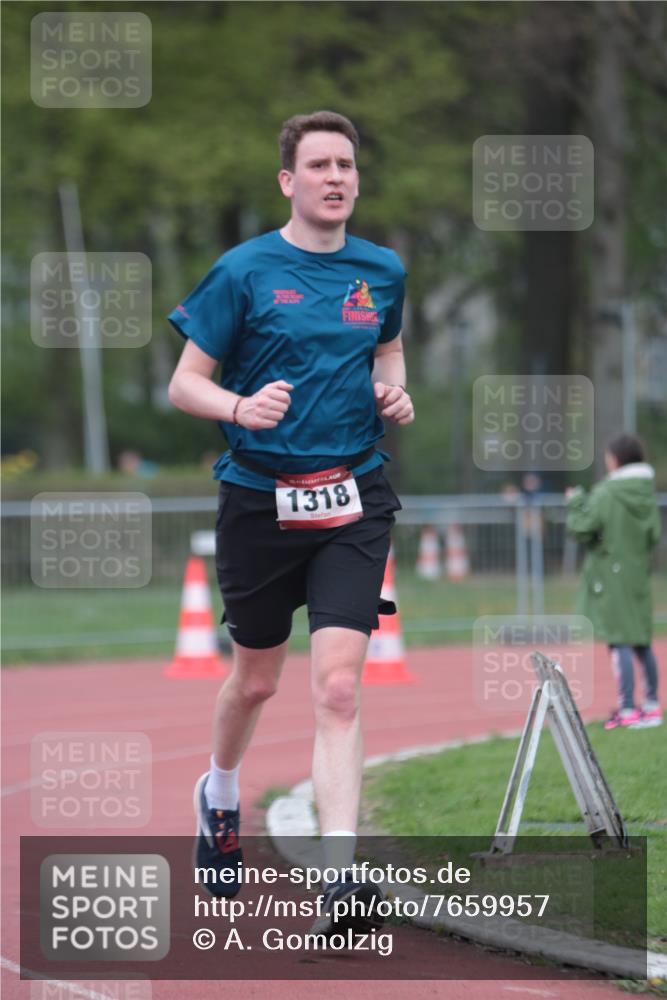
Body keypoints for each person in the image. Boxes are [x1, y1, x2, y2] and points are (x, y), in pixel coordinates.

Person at [167, 111, 413, 932]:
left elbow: (385, 350)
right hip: (258, 501)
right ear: (289, 181)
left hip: (352, 495)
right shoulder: (242, 271)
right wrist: (240, 404)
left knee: (338, 688)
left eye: (346, 165)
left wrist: (393, 390)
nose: (335, 178)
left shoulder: (381, 269)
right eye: (319, 166)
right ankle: (220, 794)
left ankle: (340, 878)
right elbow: (184, 384)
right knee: (258, 679)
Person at [566, 434, 662, 730]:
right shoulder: (647, 492)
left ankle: (628, 708)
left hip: (611, 573)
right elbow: (654, 535)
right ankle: (652, 705)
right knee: (641, 639)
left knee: (619, 638)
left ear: (616, 459)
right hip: (637, 572)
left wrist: (576, 502)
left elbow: (583, 527)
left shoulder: (608, 492)